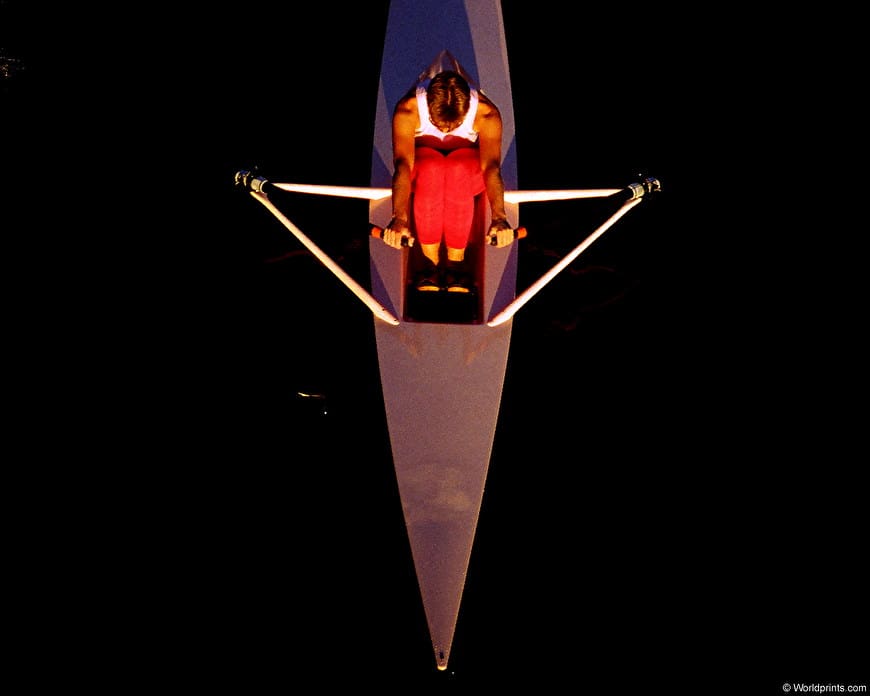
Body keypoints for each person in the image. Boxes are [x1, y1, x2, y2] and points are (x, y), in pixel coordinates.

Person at [379, 64, 516, 292]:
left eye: (456, 124)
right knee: (432, 167)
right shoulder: (408, 109)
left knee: (456, 168)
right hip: (425, 168)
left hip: (465, 172)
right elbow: (403, 166)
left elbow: (491, 168)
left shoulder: (486, 113)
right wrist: (399, 217)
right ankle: (429, 263)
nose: (445, 130)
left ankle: (456, 264)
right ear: (428, 105)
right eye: (438, 124)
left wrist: (499, 217)